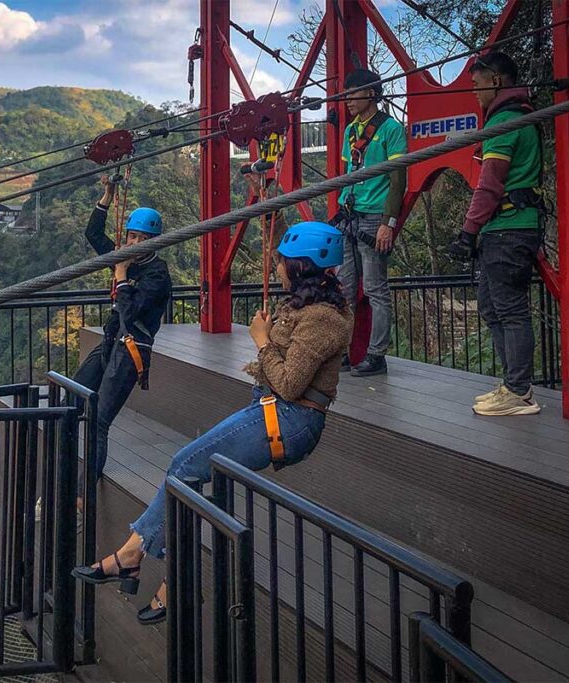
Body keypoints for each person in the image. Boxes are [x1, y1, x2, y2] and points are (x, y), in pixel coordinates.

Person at [72, 220, 352, 625]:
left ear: (301, 267)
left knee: (186, 465)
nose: (276, 268)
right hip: (274, 409)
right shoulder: (307, 308)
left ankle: (138, 560)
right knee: (191, 474)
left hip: (290, 417)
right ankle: (153, 569)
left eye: (282, 262)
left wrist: (260, 339)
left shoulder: (323, 318)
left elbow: (291, 383)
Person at [446, 51, 542, 416]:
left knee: (510, 309)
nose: (475, 92)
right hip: (504, 227)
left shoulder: (505, 121)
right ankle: (513, 385)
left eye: (478, 84)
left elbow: (489, 184)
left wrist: (468, 232)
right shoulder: (518, 116)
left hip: (508, 228)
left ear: (497, 81)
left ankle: (519, 391)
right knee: (491, 305)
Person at [73, 176, 173, 482]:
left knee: (99, 419)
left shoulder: (157, 275)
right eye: (131, 237)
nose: (134, 244)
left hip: (132, 349)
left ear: (154, 241)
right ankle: (66, 469)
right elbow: (93, 234)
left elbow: (130, 312)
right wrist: (107, 196)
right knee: (73, 396)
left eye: (141, 238)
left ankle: (83, 492)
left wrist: (120, 276)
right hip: (111, 341)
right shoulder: (127, 260)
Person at [334, 68, 407, 377]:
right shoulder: (351, 131)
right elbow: (347, 174)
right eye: (346, 93)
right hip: (350, 215)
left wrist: (388, 222)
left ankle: (376, 354)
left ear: (372, 94)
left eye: (353, 93)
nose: (348, 99)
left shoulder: (391, 130)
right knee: (344, 288)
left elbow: (398, 178)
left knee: (376, 288)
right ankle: (344, 352)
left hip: (375, 216)